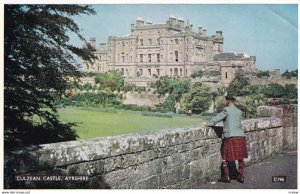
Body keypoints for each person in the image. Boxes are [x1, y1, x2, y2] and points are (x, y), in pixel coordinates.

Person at [206, 95, 248, 183]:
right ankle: (241, 176)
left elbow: (217, 118)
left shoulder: (226, 110)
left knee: (225, 157)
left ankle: (226, 177)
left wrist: (208, 123)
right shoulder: (239, 111)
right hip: (240, 136)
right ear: (234, 101)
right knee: (240, 157)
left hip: (231, 137)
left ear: (227, 101)